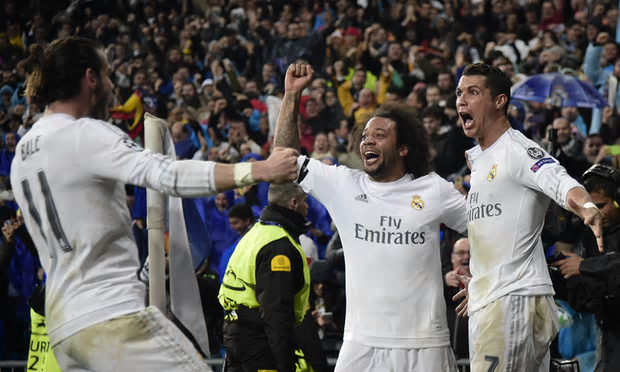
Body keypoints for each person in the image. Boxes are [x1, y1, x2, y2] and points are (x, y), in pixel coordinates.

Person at [10, 36, 300, 372]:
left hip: (62, 326)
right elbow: (166, 174)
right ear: (90, 78)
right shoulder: (83, 134)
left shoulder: (23, 153)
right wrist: (261, 169)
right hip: (109, 315)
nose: (111, 88)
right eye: (106, 77)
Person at [275, 63, 468, 371]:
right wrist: (291, 96)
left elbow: (484, 227)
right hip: (360, 342)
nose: (367, 141)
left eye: (379, 135)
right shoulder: (344, 185)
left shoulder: (433, 188)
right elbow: (283, 160)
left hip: (425, 344)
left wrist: (485, 278)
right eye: (365, 136)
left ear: (404, 148)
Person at [454, 63, 604, 372]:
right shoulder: (480, 160)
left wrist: (586, 206)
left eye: (472, 92)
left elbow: (558, 179)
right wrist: (481, 283)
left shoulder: (517, 149)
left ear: (500, 101)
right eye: (459, 93)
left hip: (513, 298)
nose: (461, 101)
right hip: (496, 297)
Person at [218, 183, 312, 372]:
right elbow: (275, 310)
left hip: (235, 332)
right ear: (294, 203)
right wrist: (286, 364)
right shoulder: (279, 245)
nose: (308, 207)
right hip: (259, 341)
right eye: (304, 201)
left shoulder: (255, 233)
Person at [553, 164, 620, 372]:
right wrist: (561, 275)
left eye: (602, 205)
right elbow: (587, 298)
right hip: (608, 331)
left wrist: (583, 266)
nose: (596, 214)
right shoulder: (588, 235)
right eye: (592, 207)